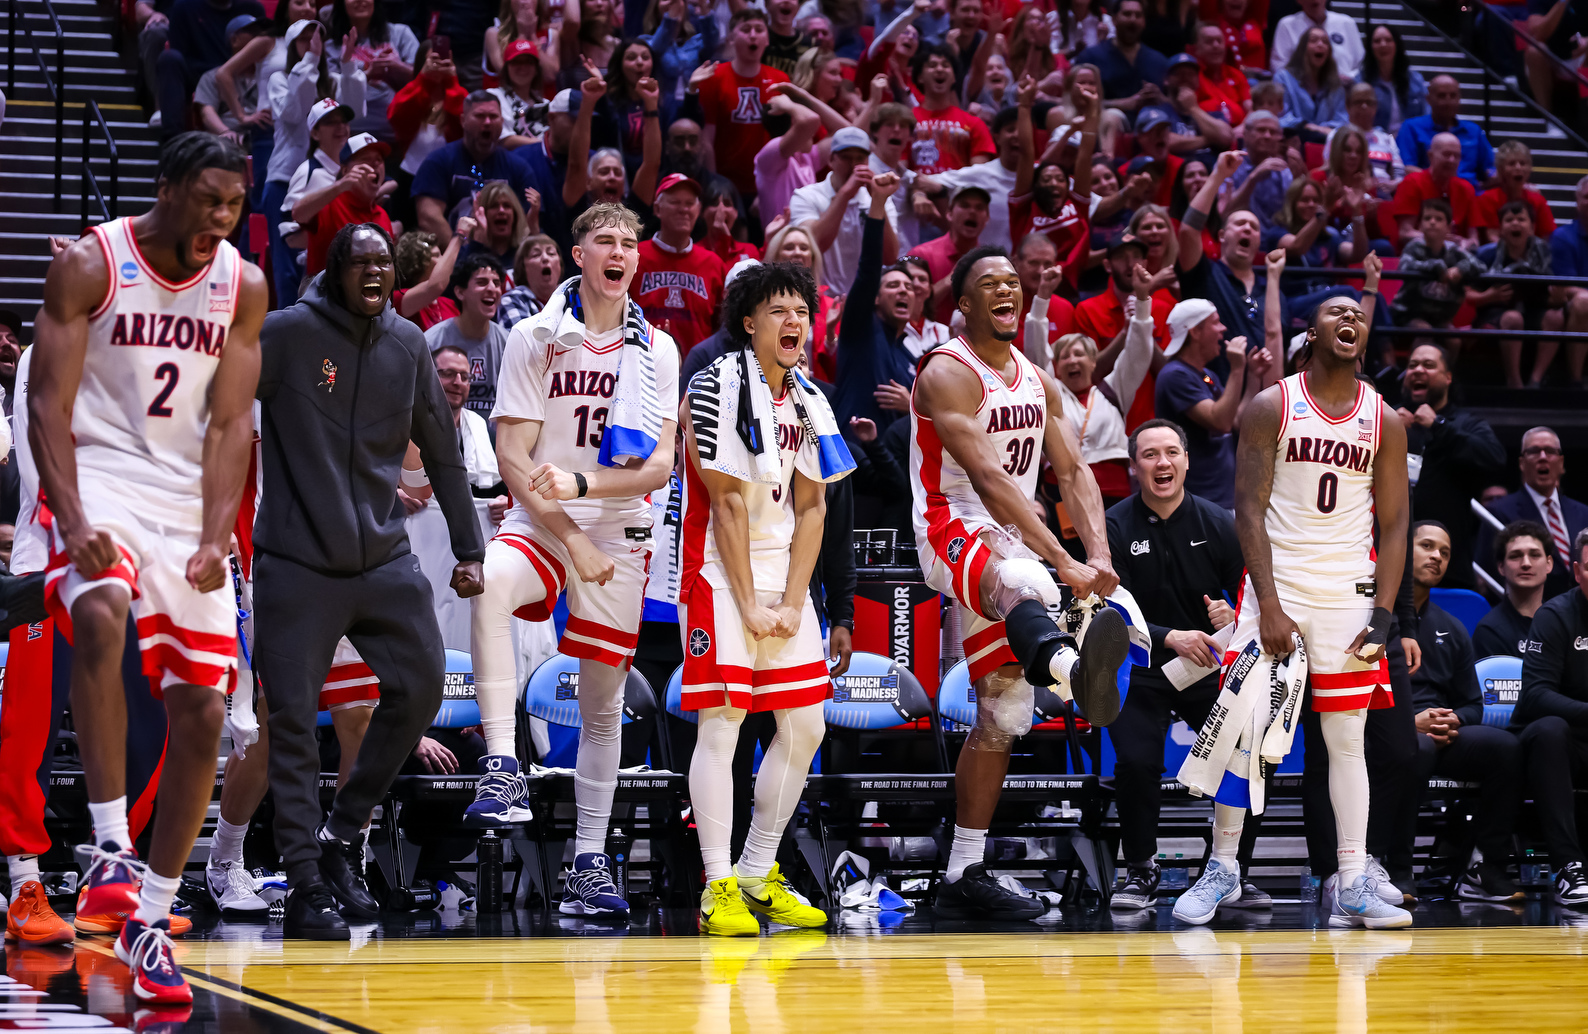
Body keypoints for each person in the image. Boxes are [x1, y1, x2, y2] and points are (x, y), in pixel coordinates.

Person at [30, 133, 266, 1002]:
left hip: (183, 500)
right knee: (100, 614)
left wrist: (215, 536)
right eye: (206, 199)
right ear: (165, 189)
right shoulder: (95, 263)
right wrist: (75, 513)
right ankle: (108, 847)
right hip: (100, 474)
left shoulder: (241, 285)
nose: (219, 219)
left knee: (203, 709)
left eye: (233, 205)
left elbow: (230, 424)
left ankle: (150, 921)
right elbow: (47, 403)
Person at [255, 223, 484, 939]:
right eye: (362, 263)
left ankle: (340, 836)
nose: (376, 273)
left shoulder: (408, 343)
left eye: (386, 262)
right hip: (296, 559)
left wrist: (468, 547)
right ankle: (303, 883)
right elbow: (221, 413)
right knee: (290, 720)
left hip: (382, 559)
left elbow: (443, 452)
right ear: (335, 269)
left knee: (420, 686)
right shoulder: (286, 334)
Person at [1173, 285, 1413, 929]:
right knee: (1244, 731)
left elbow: (1396, 528)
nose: (1351, 319)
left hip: (1346, 594)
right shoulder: (1271, 404)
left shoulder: (1384, 418)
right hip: (1277, 586)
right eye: (1338, 311)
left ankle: (1354, 878)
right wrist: (1271, 606)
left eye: (1359, 316)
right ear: (1310, 329)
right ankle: (1222, 868)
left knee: (1347, 741)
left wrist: (1384, 618)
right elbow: (1246, 508)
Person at [466, 203, 679, 917]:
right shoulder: (534, 337)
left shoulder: (660, 349)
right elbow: (511, 455)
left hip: (619, 526)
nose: (619, 251)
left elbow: (658, 470)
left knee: (602, 704)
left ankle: (588, 863)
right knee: (491, 580)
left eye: (629, 243)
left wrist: (589, 492)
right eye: (605, 241)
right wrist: (572, 533)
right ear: (577, 255)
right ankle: (501, 766)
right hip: (543, 517)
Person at [910, 243, 1128, 920]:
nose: (1007, 290)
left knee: (1004, 715)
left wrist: (1096, 552)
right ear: (965, 305)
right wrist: (1063, 563)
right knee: (1024, 576)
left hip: (1012, 533)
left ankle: (963, 871)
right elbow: (990, 478)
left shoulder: (1039, 378)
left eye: (1014, 281)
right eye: (990, 284)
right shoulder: (948, 371)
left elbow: (1077, 470)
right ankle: (1069, 668)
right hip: (951, 523)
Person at [679, 261, 854, 935]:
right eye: (779, 311)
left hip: (784, 575)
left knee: (806, 725)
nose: (794, 323)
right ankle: (716, 884)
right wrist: (752, 604)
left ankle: (757, 870)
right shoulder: (713, 383)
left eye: (802, 313)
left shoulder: (811, 399)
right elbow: (724, 500)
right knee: (723, 723)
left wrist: (791, 598)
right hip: (721, 573)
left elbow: (814, 509)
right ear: (749, 323)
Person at [1106, 418, 1269, 911]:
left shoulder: (1218, 522)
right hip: (1139, 667)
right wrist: (1166, 637)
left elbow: (1255, 594)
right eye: (1151, 454)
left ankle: (1228, 869)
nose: (1163, 463)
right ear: (1135, 466)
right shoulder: (1114, 526)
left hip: (1205, 669)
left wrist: (1233, 613)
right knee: (1136, 762)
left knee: (1250, 749)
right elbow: (1107, 609)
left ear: (1186, 461)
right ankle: (1140, 870)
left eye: (1172, 452)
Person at [1394, 520, 1526, 901]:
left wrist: (1455, 721)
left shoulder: (1451, 628)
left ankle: (1484, 867)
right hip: (1387, 731)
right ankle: (1397, 869)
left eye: (1445, 552)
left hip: (1440, 735)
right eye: (1427, 546)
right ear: (1403, 550)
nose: (1437, 556)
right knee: (1413, 747)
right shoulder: (1376, 621)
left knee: (1505, 747)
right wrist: (1410, 723)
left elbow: (1472, 703)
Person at [1511, 528, 1588, 908]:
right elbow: (1537, 695)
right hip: (1560, 742)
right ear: (1577, 572)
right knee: (1550, 730)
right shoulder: (1555, 615)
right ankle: (1568, 867)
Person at [1153, 291, 1275, 511]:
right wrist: (1237, 369)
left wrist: (1253, 375)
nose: (1223, 329)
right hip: (1199, 501)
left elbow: (1237, 421)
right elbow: (1220, 421)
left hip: (1222, 498)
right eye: (1216, 323)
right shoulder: (1175, 375)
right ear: (1196, 331)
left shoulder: (1206, 374)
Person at [1397, 344, 1504, 592]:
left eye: (1429, 365)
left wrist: (1439, 425)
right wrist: (1390, 428)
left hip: (1449, 568)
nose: (1418, 370)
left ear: (1448, 378)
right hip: (1391, 563)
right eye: (1412, 365)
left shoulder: (1465, 423)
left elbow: (1494, 458)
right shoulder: (1390, 419)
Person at [1181, 148, 1291, 358]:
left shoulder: (1272, 290)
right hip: (1212, 387)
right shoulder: (1205, 273)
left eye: (1254, 227)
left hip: (1263, 389)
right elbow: (1189, 230)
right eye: (1240, 224)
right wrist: (1218, 174)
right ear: (1221, 235)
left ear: (1259, 243)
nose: (1248, 229)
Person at [832, 175, 917, 431]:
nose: (903, 290)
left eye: (909, 287)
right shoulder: (861, 326)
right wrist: (878, 201)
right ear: (876, 298)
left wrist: (911, 403)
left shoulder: (908, 356)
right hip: (852, 456)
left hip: (891, 464)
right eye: (893, 285)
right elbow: (869, 268)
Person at [1074, 234, 1175, 430]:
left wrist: (1141, 324)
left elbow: (1169, 374)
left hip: (1155, 422)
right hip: (1103, 424)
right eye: (1121, 257)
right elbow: (1089, 374)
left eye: (1136, 256)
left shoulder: (1163, 309)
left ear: (1145, 263)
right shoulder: (1087, 310)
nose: (1130, 264)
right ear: (1107, 265)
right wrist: (1125, 332)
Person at [789, 126, 901, 294]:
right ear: (831, 160)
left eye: (860, 158)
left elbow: (890, 257)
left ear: (868, 162)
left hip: (867, 299)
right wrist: (844, 195)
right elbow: (813, 247)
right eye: (846, 157)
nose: (854, 165)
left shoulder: (881, 198)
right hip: (821, 298)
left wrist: (877, 201)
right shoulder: (805, 196)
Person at [1481, 427, 1588, 601]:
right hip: (1528, 616)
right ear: (1522, 463)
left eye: (1550, 451)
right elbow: (1490, 571)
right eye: (1534, 451)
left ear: (1561, 462)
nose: (1543, 457)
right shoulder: (1499, 511)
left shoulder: (1584, 512)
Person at [697, 9, 792, 202]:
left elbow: (785, 140)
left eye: (759, 29)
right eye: (746, 29)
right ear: (731, 38)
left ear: (767, 39)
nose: (753, 35)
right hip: (726, 182)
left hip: (768, 181)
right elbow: (707, 139)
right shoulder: (714, 78)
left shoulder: (780, 80)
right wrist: (716, 186)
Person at [412, 92, 535, 240]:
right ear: (463, 120)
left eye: (493, 116)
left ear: (502, 122)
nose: (488, 122)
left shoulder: (518, 167)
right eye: (480, 116)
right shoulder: (438, 162)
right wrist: (460, 253)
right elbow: (429, 217)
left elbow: (528, 222)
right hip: (451, 255)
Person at [632, 174, 727, 353]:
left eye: (689, 203)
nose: (683, 209)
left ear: (698, 210)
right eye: (675, 202)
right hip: (641, 363)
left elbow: (722, 327)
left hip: (699, 372)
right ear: (657, 209)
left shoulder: (714, 264)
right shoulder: (634, 256)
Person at [153, 0, 269, 140]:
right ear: (234, 40)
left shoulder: (253, 8)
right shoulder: (183, 7)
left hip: (250, 77)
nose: (259, 36)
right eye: (252, 32)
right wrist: (226, 131)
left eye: (259, 32)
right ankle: (173, 141)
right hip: (202, 76)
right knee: (170, 58)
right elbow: (207, 111)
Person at [293, 132, 395, 279]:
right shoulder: (329, 204)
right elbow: (298, 213)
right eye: (366, 159)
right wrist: (341, 184)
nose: (375, 164)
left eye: (379, 160)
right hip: (326, 299)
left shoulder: (382, 215)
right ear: (346, 170)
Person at [423, 253, 509, 419]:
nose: (492, 288)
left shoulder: (509, 342)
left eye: (497, 283)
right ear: (460, 292)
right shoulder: (431, 341)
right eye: (482, 282)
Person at [1388, 199, 1482, 333]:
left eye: (1438, 219)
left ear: (1449, 227)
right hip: (1408, 314)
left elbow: (1480, 266)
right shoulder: (1413, 246)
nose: (1432, 222)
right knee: (1424, 330)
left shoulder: (1454, 250)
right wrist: (1434, 267)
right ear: (1420, 225)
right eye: (1427, 218)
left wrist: (1460, 268)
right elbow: (1404, 267)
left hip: (1441, 317)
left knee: (1454, 340)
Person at [1396, 76, 1495, 192]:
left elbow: (1489, 169)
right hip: (1429, 195)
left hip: (1471, 196)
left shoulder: (1474, 131)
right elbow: (1406, 168)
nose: (1448, 101)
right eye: (1441, 96)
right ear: (1428, 99)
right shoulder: (1411, 127)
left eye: (1453, 96)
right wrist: (1449, 182)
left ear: (1459, 98)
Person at [1076, 0, 1169, 124]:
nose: (1133, 20)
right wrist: (1124, 104)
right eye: (1127, 14)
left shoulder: (1159, 61)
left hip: (1154, 129)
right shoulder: (1090, 57)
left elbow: (1178, 105)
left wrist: (1161, 99)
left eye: (1138, 15)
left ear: (1144, 22)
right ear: (1114, 20)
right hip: (1103, 126)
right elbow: (1077, 102)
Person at [910, 44, 997, 175]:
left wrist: (942, 187)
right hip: (915, 192)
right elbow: (898, 169)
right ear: (920, 77)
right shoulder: (906, 122)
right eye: (932, 65)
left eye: (946, 65)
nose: (939, 69)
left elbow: (980, 176)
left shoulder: (973, 124)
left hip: (959, 194)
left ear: (954, 77)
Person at [908, 186, 991, 323]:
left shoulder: (989, 262)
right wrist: (950, 280)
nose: (972, 211)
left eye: (979, 207)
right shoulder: (921, 254)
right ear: (949, 214)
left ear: (987, 218)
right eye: (964, 205)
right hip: (929, 341)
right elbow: (910, 305)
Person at [1475, 521, 1553, 659]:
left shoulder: (1563, 623)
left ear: (1549, 564)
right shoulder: (1490, 630)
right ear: (1501, 567)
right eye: (1515, 556)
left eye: (1534, 555)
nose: (1526, 564)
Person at [1388, 133, 1477, 250]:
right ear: (1430, 156)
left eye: (1457, 156)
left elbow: (1474, 239)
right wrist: (1440, 240)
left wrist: (1466, 244)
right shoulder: (1412, 182)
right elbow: (1405, 233)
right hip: (1419, 252)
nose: (1452, 160)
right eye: (1446, 154)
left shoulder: (1466, 188)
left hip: (1456, 254)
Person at [391, 220, 473, 330]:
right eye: (436, 255)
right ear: (417, 262)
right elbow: (435, 286)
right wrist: (460, 235)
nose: (444, 260)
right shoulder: (398, 298)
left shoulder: (449, 304)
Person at [1217, 111, 1291, 229]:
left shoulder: (1283, 169)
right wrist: (1252, 179)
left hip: (1275, 239)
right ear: (1245, 134)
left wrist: (1299, 175)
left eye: (1273, 132)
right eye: (1261, 130)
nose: (1267, 136)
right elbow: (1225, 212)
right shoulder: (1228, 163)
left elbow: (1291, 215)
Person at [1474, 141, 1556, 247]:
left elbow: (1548, 236)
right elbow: (1492, 237)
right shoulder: (1487, 199)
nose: (1518, 168)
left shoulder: (1538, 200)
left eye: (1523, 163)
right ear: (1501, 169)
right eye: (1511, 164)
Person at [1275, 26, 1348, 143]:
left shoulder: (1336, 85)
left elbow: (1342, 120)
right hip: (1292, 140)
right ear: (1302, 49)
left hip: (1326, 143)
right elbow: (1280, 116)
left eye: (1325, 42)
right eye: (1314, 40)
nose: (1320, 44)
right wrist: (1305, 125)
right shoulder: (1283, 77)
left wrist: (1321, 129)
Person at [1549, 174, 1588, 387]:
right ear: (1577, 201)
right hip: (1570, 305)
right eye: (1587, 197)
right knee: (1584, 301)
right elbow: (1566, 286)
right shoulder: (1563, 236)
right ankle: (1575, 379)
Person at [1270, 0, 1363, 81]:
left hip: (1344, 89)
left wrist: (1349, 78)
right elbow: (1279, 67)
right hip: (1300, 91)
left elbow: (1360, 64)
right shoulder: (1287, 25)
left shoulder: (1346, 23)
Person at [1361, 24, 1426, 134]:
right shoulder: (1361, 81)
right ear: (1370, 47)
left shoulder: (1415, 80)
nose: (1383, 44)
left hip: (1411, 141)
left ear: (1397, 44)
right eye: (1377, 41)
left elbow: (1426, 115)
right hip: (1375, 143)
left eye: (1388, 40)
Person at [496, 233, 564, 326]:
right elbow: (522, 339)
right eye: (536, 255)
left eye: (551, 253)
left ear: (559, 264)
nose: (545, 258)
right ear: (523, 266)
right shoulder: (511, 301)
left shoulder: (573, 296)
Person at [1194, 19, 1250, 128]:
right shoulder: (1193, 76)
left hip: (1240, 133)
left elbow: (1251, 109)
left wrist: (1240, 130)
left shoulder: (1236, 75)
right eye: (1209, 41)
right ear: (1197, 48)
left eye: (1219, 41)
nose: (1216, 45)